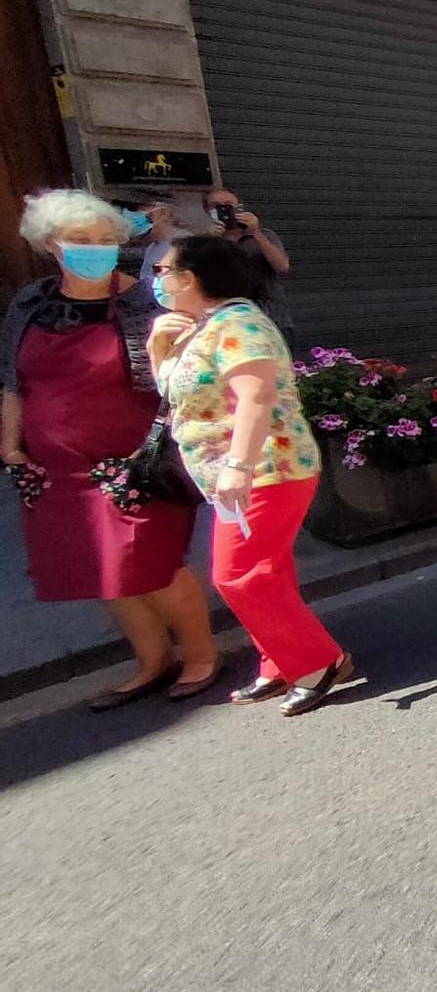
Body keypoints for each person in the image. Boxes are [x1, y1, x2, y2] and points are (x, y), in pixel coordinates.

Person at [1, 190, 215, 710]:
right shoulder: (29, 302)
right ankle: (151, 661)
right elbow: (11, 379)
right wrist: (9, 442)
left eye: (103, 240)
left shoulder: (149, 300)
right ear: (51, 245)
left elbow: (190, 374)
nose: (94, 249)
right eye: (80, 241)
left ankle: (202, 657)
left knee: (154, 567)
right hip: (54, 468)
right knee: (103, 572)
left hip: (137, 463)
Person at [150, 233, 355, 717]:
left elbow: (257, 396)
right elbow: (178, 394)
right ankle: (280, 661)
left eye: (163, 271)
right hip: (236, 475)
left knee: (238, 575)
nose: (156, 279)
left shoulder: (238, 323)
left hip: (267, 469)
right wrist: (160, 347)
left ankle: (320, 661)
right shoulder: (203, 326)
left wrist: (238, 466)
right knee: (268, 572)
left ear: (191, 277)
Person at [203, 187, 293, 331]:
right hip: (229, 320)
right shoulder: (205, 242)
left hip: (270, 316)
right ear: (207, 211)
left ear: (239, 207)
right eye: (216, 206)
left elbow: (282, 266)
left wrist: (256, 232)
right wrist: (210, 241)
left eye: (228, 204)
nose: (224, 210)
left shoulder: (265, 235)